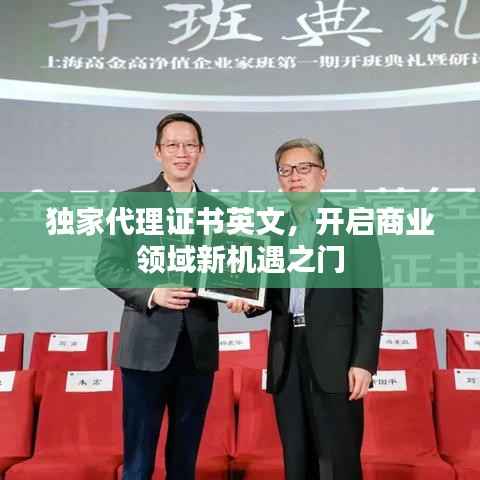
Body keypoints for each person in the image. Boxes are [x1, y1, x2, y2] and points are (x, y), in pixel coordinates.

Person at [227, 138, 383, 480]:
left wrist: (363, 362)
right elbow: (271, 294)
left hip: (336, 357)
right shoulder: (274, 231)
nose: (294, 177)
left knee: (338, 461)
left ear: (323, 174)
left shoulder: (352, 224)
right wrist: (246, 300)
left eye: (303, 168)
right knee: (296, 459)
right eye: (285, 170)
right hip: (287, 354)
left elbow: (370, 300)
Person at [96, 113, 219, 480]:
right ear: (157, 151)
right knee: (138, 460)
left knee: (185, 460)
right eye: (173, 145)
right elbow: (108, 267)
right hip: (145, 346)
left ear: (201, 152)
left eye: (190, 145)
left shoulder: (218, 211)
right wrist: (152, 292)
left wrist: (241, 294)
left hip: (197, 349)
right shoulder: (132, 202)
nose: (182, 153)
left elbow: (230, 271)